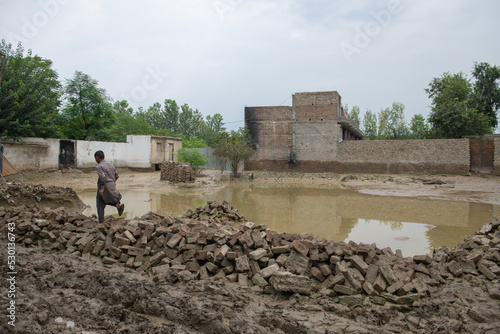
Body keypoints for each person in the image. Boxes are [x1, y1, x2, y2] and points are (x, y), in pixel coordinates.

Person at [94, 150, 124, 222]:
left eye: (95, 158)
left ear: (97, 158)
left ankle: (102, 221)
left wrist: (102, 188)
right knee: (107, 199)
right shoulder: (110, 165)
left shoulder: (99, 166)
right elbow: (116, 176)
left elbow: (103, 177)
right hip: (112, 185)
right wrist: (112, 183)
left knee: (100, 203)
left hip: (104, 186)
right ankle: (117, 205)